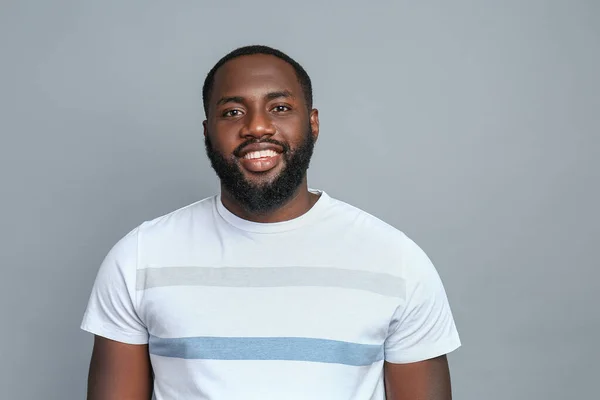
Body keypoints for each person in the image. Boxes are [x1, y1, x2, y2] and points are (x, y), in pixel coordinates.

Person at [81, 45, 461, 400]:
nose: (257, 127)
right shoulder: (139, 257)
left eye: (279, 108)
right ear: (206, 131)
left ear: (312, 123)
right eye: (232, 112)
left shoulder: (397, 261)